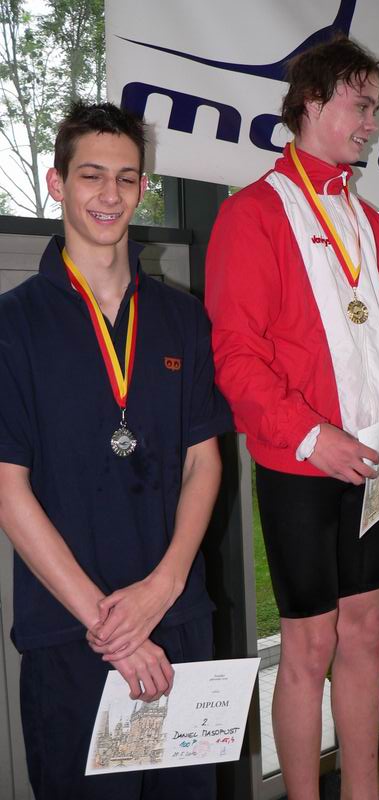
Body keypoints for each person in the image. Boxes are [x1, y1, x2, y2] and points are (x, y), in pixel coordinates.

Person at [205, 34, 379, 800]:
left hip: (377, 464)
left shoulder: (367, 222)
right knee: (309, 644)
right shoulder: (252, 213)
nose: (373, 122)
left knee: (365, 632)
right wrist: (308, 434)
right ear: (312, 100)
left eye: (375, 108)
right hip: (299, 463)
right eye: (361, 105)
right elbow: (235, 354)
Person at [0, 102, 232, 800]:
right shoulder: (13, 324)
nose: (110, 193)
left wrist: (164, 588)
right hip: (71, 635)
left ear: (142, 188)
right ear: (57, 182)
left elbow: (204, 461)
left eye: (126, 178)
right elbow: (8, 489)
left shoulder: (182, 318)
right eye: (91, 175)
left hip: (179, 622)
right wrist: (114, 629)